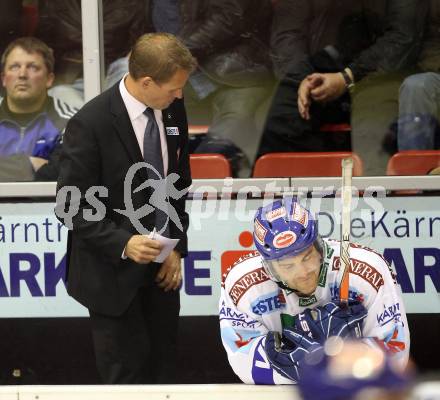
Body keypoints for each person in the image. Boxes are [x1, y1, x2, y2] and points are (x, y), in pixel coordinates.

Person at [56, 33, 196, 384]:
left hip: (161, 275)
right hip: (111, 277)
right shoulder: (90, 123)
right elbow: (71, 206)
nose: (179, 95)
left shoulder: (173, 110)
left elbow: (177, 183)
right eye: (173, 88)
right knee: (126, 380)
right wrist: (124, 242)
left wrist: (175, 246)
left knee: (165, 374)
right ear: (146, 81)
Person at [220, 197, 409, 384]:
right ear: (269, 267)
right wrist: (329, 359)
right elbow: (244, 363)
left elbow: (395, 354)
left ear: (319, 246)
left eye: (307, 257)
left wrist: (302, 361)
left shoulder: (367, 270)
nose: (303, 273)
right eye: (287, 266)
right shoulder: (242, 283)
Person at [259, 0, 428, 175]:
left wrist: (347, 77)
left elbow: (402, 38)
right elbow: (288, 34)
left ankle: (374, 195)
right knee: (282, 114)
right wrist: (305, 80)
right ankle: (279, 196)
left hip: (377, 77)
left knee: (372, 124)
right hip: (315, 73)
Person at [0, 37, 77, 182]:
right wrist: (30, 164)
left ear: (49, 79)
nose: (22, 75)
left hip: (47, 203)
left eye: (33, 67)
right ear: (4, 79)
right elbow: (48, 172)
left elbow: (64, 174)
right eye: (14, 67)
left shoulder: (69, 121)